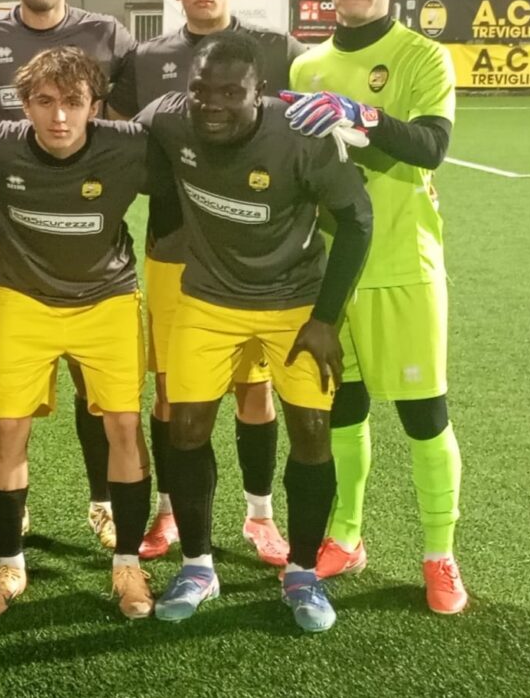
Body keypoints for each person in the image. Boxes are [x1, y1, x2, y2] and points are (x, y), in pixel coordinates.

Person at [145, 31, 372, 633]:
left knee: (313, 432)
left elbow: (357, 220)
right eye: (200, 90)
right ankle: (197, 567)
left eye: (230, 92)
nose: (211, 104)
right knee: (185, 426)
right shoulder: (169, 120)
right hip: (208, 298)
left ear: (259, 92)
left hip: (293, 302)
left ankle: (302, 573)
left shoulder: (301, 138)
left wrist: (325, 319)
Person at [283, 0, 468, 615]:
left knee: (424, 415)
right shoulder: (305, 67)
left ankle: (439, 554)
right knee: (343, 409)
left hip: (402, 265)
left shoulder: (423, 57)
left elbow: (430, 146)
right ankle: (347, 535)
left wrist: (360, 114)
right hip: (332, 271)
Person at [118, 0, 307, 566]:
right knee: (173, 392)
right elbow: (121, 142)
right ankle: (169, 510)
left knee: (255, 391)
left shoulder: (277, 50)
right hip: (174, 249)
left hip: (257, 257)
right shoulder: (146, 60)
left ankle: (260, 516)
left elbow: (319, 124)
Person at [0, 47, 153, 621]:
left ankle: (128, 565)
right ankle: (10, 565)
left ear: (95, 106)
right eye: (44, 101)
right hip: (22, 301)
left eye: (73, 102)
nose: (59, 116)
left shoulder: (128, 145)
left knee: (124, 425)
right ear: (24, 104)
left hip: (106, 301)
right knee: (9, 427)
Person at [0, 0, 138, 551]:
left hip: (90, 238)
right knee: (12, 396)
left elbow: (124, 128)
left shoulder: (107, 34)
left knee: (103, 392)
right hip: (10, 239)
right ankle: (9, 514)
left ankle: (105, 502)